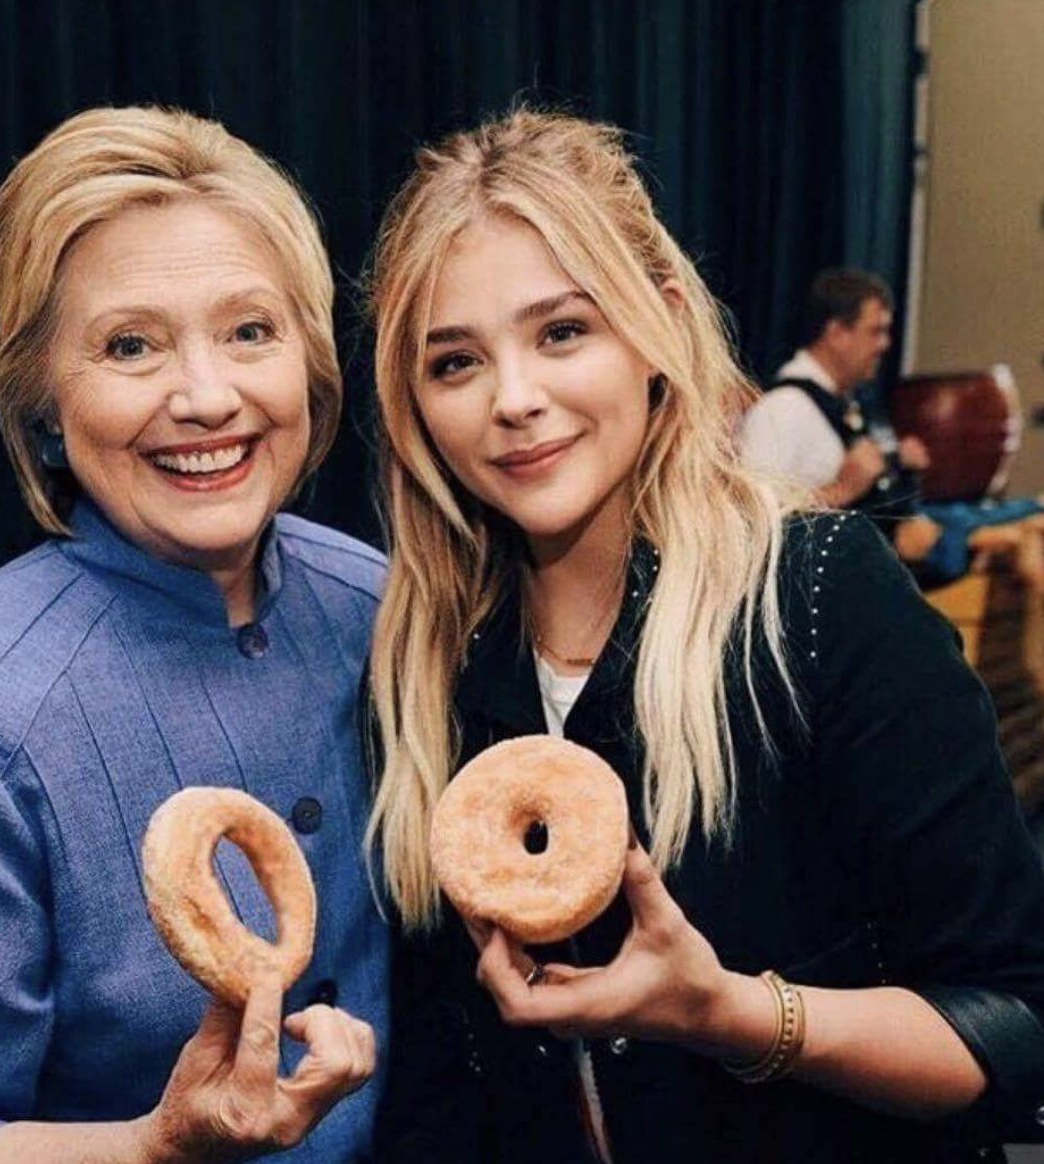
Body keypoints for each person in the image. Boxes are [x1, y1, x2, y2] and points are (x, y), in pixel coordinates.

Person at [364, 110, 1044, 1162]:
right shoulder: (426, 672)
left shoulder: (816, 599)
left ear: (658, 326)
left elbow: (1013, 1026)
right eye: (454, 362)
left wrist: (729, 1014)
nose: (514, 399)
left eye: (561, 332)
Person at [0, 106, 387, 1164]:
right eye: (130, 346)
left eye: (249, 331)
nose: (206, 397)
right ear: (41, 404)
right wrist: (152, 1146)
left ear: (308, 358)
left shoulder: (383, 607)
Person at [740, 269, 1044, 583]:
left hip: (887, 547)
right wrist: (841, 490)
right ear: (837, 333)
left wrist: (897, 460)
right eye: (876, 331)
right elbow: (751, 518)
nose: (885, 344)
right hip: (843, 577)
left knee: (1017, 516)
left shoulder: (840, 405)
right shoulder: (782, 409)